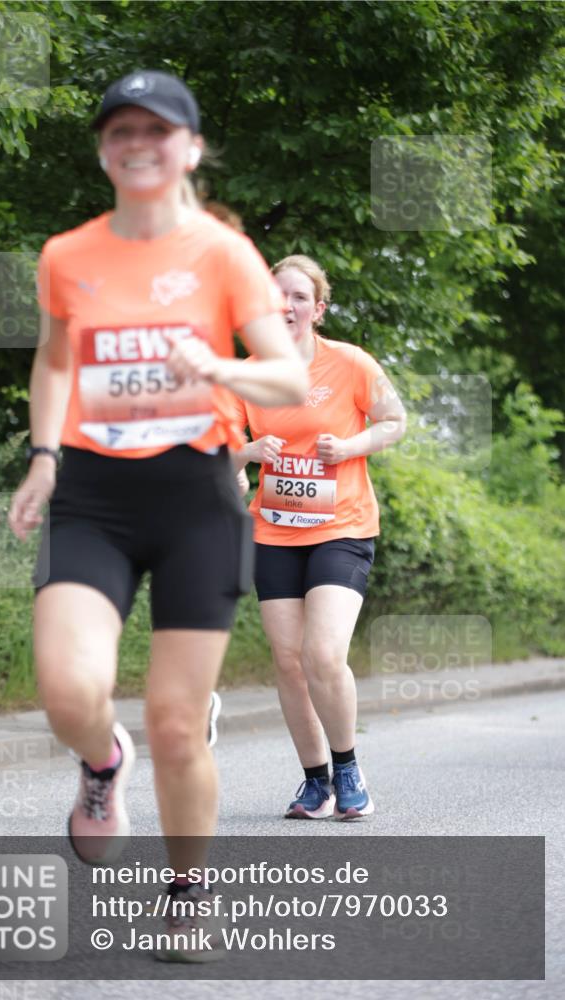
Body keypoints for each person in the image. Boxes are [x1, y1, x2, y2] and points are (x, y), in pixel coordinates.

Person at [8, 70, 307, 960]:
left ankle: (188, 893)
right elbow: (55, 361)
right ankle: (103, 763)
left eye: (157, 129)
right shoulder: (68, 253)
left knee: (178, 721)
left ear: (191, 146)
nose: (137, 143)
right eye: (119, 130)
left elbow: (286, 377)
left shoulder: (221, 253)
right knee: (68, 689)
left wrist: (216, 371)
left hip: (195, 498)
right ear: (104, 149)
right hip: (93, 494)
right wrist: (45, 453)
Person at [230, 255, 406, 820]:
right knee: (288, 661)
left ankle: (348, 767)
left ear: (318, 308)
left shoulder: (350, 363)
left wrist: (349, 447)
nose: (285, 305)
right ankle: (315, 782)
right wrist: (247, 453)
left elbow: (394, 420)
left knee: (323, 652)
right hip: (274, 532)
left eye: (298, 296)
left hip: (343, 527)